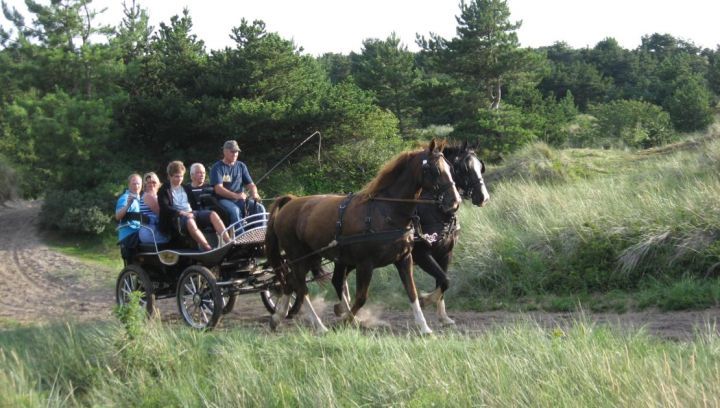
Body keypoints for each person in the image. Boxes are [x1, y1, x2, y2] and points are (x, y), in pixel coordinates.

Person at [158, 160, 231, 251]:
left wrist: (197, 213)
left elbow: (193, 205)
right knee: (190, 220)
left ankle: (229, 242)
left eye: (181, 176)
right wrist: (182, 213)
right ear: (170, 176)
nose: (180, 179)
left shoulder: (185, 188)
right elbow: (165, 208)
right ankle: (207, 248)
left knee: (212, 214)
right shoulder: (164, 190)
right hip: (177, 218)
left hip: (191, 212)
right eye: (177, 176)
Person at [210, 140, 266, 232]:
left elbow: (251, 185)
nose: (235, 154)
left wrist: (255, 194)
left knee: (260, 208)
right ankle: (241, 236)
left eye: (237, 152)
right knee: (235, 210)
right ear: (225, 151)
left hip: (240, 199)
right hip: (223, 200)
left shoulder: (241, 166)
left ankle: (260, 233)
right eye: (232, 151)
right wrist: (237, 196)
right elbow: (218, 189)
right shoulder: (217, 167)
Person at [115, 173, 142, 261]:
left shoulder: (140, 200)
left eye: (138, 184)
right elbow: (118, 216)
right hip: (129, 236)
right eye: (134, 184)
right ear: (129, 185)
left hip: (137, 234)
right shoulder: (125, 198)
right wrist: (127, 205)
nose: (136, 186)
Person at [138, 171, 169, 244]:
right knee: (175, 238)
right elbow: (162, 214)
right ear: (145, 185)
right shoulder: (148, 196)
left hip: (153, 230)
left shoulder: (156, 196)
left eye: (154, 182)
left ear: (158, 183)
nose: (151, 184)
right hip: (150, 233)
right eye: (148, 182)